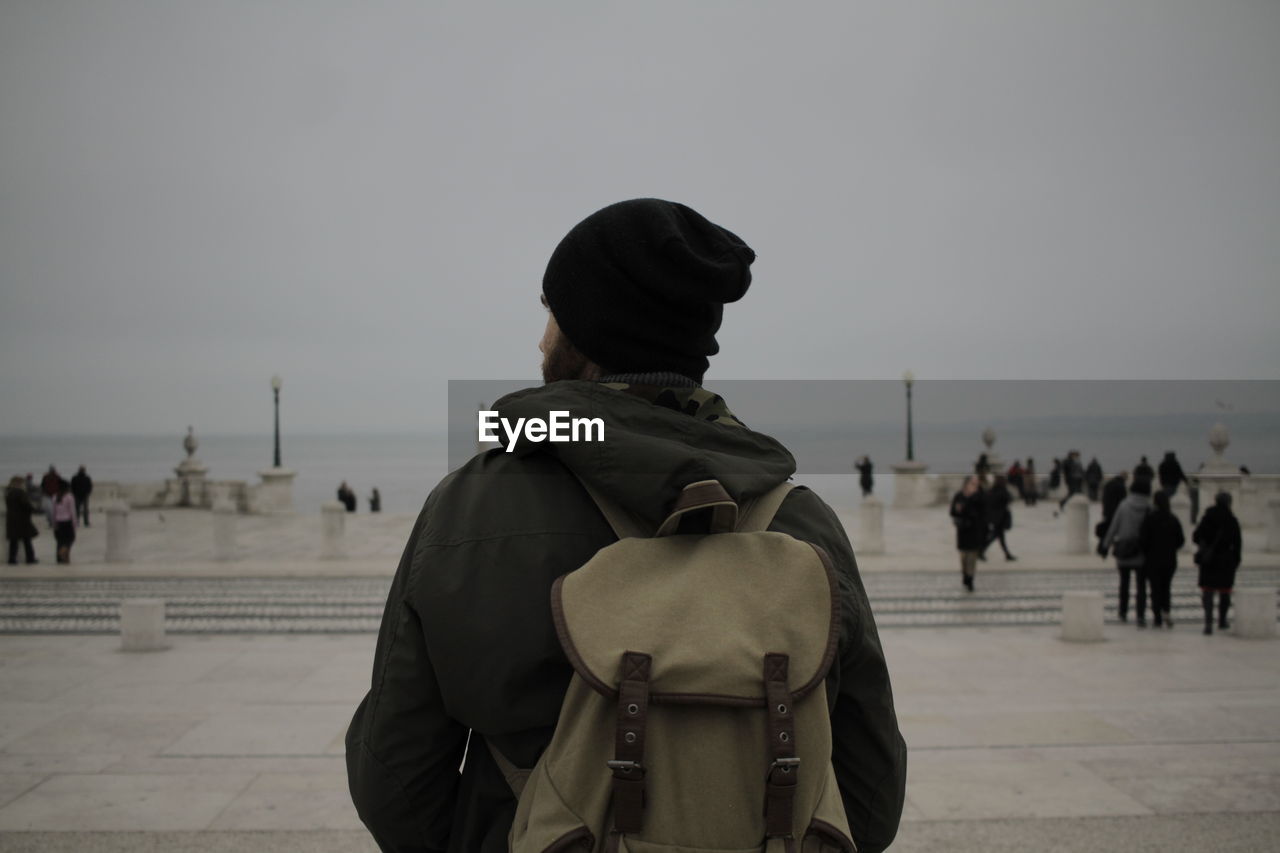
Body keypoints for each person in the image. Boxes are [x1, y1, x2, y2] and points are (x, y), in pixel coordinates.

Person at [345, 199, 907, 853]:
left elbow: (395, 780)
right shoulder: (800, 519)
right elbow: (873, 789)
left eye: (550, 312)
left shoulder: (469, 506)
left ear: (587, 331)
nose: (540, 337)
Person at [1101, 477, 1152, 626]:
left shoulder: (1124, 505)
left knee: (1124, 583)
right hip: (1142, 551)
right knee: (1141, 585)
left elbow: (1114, 527)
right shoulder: (1150, 507)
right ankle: (1141, 615)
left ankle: (1123, 612)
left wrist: (1105, 545)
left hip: (1124, 549)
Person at [1193, 492, 1243, 635]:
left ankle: (1208, 623)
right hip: (1226, 560)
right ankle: (1222, 620)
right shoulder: (1232, 520)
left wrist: (1204, 545)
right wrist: (1236, 560)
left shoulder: (1207, 517)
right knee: (1224, 592)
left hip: (1208, 560)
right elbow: (1237, 543)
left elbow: (1196, 536)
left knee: (1208, 592)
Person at [1140, 490, 1185, 629]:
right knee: (1166, 588)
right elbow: (1181, 540)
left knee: (1155, 589)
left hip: (1153, 560)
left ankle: (1157, 618)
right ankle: (1166, 612)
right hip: (1170, 560)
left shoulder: (1150, 518)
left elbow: (1143, 540)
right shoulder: (1173, 518)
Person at [950, 475, 986, 591]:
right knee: (963, 557)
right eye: (973, 483)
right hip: (962, 531)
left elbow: (982, 511)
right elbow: (952, 512)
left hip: (975, 530)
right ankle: (965, 575)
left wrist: (967, 505)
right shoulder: (959, 496)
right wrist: (957, 511)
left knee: (972, 556)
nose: (975, 485)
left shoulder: (979, 496)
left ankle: (970, 578)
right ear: (966, 484)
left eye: (976, 484)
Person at [979, 474, 1016, 561]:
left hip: (994, 517)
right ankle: (981, 551)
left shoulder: (992, 490)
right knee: (995, 536)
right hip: (1000, 518)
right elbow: (1010, 498)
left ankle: (1007, 554)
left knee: (999, 537)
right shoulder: (1002, 491)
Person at [5, 476, 39, 565]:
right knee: (27, 540)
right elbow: (26, 505)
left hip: (12, 520)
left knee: (14, 541)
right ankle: (30, 558)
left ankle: (12, 559)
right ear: (19, 483)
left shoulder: (8, 492)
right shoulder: (20, 492)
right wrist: (34, 509)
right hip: (22, 520)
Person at [1097, 471, 1129, 550]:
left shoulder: (1109, 484)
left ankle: (1102, 546)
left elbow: (1104, 497)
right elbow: (1123, 501)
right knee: (1117, 530)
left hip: (1107, 510)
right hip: (1116, 511)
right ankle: (1114, 546)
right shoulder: (1121, 486)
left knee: (1107, 529)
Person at [50, 479, 77, 564]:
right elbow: (72, 511)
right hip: (67, 521)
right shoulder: (69, 497)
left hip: (58, 521)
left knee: (60, 541)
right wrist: (74, 523)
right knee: (70, 539)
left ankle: (59, 558)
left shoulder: (55, 497)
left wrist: (54, 524)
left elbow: (53, 512)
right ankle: (64, 554)